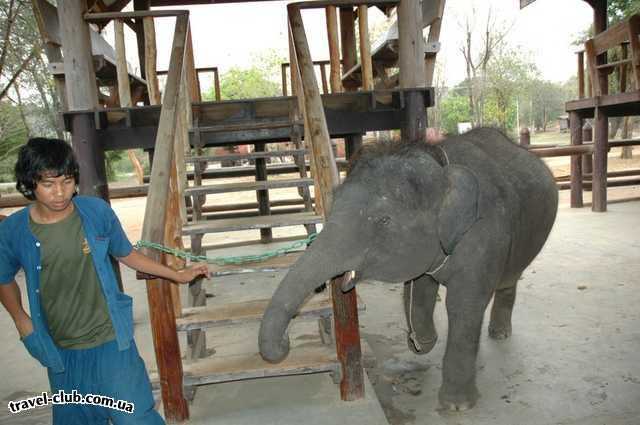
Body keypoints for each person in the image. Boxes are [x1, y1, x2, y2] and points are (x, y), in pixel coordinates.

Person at [0, 138, 209, 424]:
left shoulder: (96, 213)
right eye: (48, 184)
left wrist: (177, 275)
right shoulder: (14, 230)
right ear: (30, 183)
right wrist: (21, 319)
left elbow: (127, 254)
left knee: (134, 417)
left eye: (67, 181)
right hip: (60, 350)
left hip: (111, 341)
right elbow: (3, 277)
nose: (60, 193)